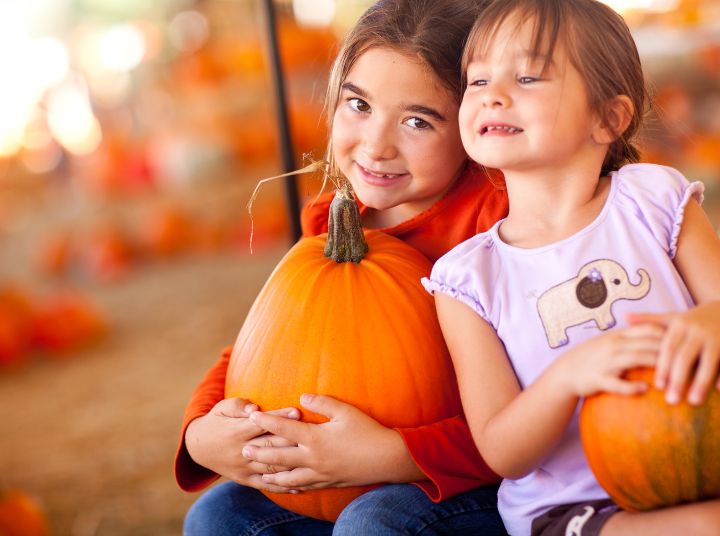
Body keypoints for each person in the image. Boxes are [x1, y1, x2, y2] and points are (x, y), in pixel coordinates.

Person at [177, 1, 510, 534]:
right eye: (359, 105)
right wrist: (201, 431)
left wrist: (390, 455)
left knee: (370, 522)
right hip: (337, 479)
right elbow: (260, 345)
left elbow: (532, 412)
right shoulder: (334, 222)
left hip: (475, 485)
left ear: (473, 125)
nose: (376, 146)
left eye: (417, 120)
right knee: (220, 517)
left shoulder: (496, 226)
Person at [423, 0, 720, 535]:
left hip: (705, 458)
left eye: (528, 75)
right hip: (574, 511)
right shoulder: (468, 279)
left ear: (608, 117)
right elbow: (502, 451)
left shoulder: (652, 202)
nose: (493, 93)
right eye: (478, 79)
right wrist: (568, 378)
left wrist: (711, 321)